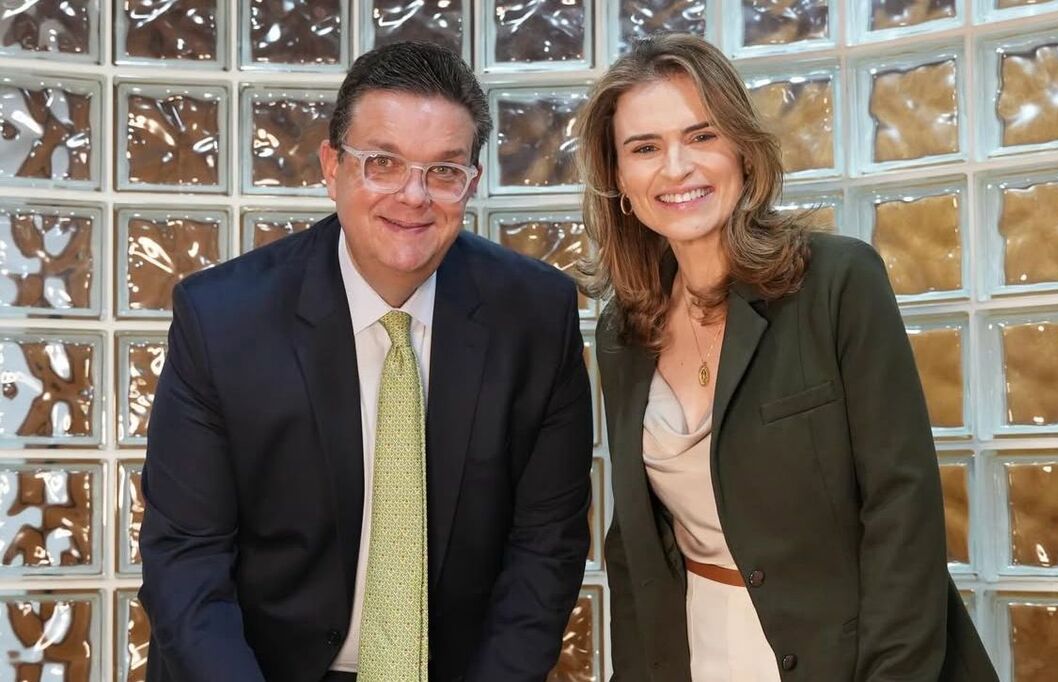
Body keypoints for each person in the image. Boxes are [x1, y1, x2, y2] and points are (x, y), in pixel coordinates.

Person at [139, 41, 594, 682]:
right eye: (383, 163)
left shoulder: (537, 316)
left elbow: (546, 550)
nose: (413, 196)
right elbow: (186, 560)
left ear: (471, 183)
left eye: (444, 170)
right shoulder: (221, 319)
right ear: (332, 167)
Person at [576, 33, 997, 681]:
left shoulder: (837, 281)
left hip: (850, 658)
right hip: (698, 653)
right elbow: (634, 545)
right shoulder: (622, 331)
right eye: (645, 148)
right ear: (619, 181)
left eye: (702, 135)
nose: (676, 167)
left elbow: (901, 509)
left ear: (743, 151)